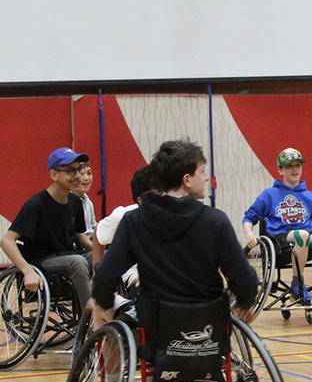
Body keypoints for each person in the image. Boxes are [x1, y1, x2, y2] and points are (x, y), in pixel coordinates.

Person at [91, 140, 257, 326]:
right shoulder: (215, 220)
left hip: (155, 329)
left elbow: (104, 279)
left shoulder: (133, 221)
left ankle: (108, 354)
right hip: (207, 327)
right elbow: (244, 279)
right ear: (186, 180)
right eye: (202, 171)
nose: (206, 178)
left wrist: (103, 300)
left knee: (98, 306)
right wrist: (244, 301)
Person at [242, 148, 312, 302]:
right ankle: (297, 285)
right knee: (302, 234)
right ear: (280, 170)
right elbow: (249, 217)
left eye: (297, 166)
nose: (294, 170)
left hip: (306, 237)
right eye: (289, 166)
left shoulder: (310, 196)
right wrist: (249, 234)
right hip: (280, 240)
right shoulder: (269, 194)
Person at [0, 147, 93, 312]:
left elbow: (80, 236)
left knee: (105, 256)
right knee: (77, 262)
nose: (79, 176)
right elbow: (7, 241)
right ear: (54, 175)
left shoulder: (75, 202)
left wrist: (102, 252)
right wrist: (27, 271)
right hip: (44, 261)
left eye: (79, 169)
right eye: (71, 171)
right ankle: (91, 318)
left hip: (68, 255)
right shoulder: (36, 204)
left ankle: (113, 310)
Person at [92, 164, 155, 290]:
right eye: (159, 193)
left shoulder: (174, 214)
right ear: (141, 200)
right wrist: (96, 276)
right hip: (137, 278)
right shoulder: (124, 216)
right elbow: (98, 232)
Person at [72, 162, 96, 240]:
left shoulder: (88, 201)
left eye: (89, 173)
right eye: (82, 174)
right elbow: (79, 237)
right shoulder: (69, 201)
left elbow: (94, 226)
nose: (86, 178)